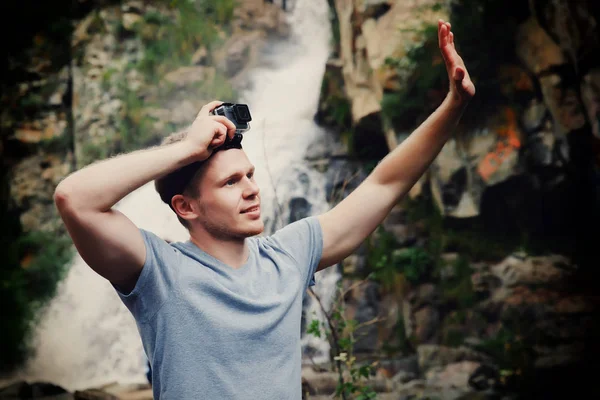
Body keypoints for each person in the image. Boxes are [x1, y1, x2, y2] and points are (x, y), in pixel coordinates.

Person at [53, 20, 474, 399]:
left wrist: (452, 105)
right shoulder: (158, 273)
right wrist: (185, 150)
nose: (252, 190)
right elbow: (75, 199)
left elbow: (386, 184)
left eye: (250, 175)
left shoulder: (287, 256)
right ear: (186, 207)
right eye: (231, 182)